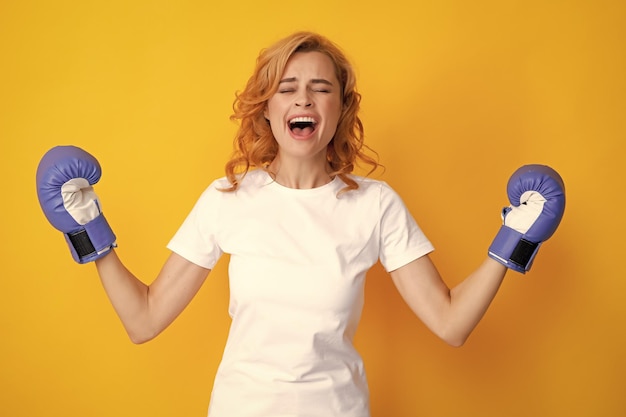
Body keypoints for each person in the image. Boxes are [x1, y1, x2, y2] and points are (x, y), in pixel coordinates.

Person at [35, 31, 566, 417]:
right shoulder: (229, 200)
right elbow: (143, 321)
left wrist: (514, 240)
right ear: (267, 109)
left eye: (320, 88)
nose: (303, 99)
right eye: (287, 88)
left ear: (340, 108)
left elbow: (450, 324)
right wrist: (88, 229)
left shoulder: (375, 205)